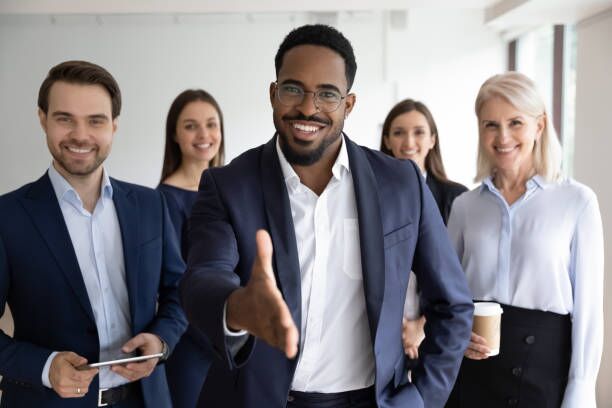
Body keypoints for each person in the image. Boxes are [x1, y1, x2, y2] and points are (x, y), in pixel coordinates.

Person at [181, 24, 474, 408]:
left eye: (327, 94)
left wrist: (420, 398)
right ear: (273, 94)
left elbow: (452, 305)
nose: (307, 107)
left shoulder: (401, 184)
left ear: (348, 104)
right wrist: (237, 308)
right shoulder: (228, 185)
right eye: (293, 89)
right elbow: (203, 277)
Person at [0, 60, 187, 407]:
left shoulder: (150, 205)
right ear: (43, 119)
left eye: (95, 121)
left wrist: (161, 341)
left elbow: (179, 291)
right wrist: (43, 367)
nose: (80, 135)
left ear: (114, 126)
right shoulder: (7, 216)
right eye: (64, 118)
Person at [446, 72, 603, 407]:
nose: (503, 136)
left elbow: (589, 312)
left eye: (515, 122)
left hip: (544, 377)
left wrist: (580, 393)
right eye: (491, 124)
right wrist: (457, 338)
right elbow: (445, 295)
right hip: (473, 375)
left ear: (539, 126)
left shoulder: (577, 201)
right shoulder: (465, 207)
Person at [379, 99, 468, 361]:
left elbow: (462, 274)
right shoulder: (369, 198)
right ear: (387, 140)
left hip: (438, 334)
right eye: (398, 132)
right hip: (381, 334)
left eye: (418, 132)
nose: (409, 142)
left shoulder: (457, 199)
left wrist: (422, 325)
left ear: (432, 140)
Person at [157, 89, 224, 408]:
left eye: (211, 124)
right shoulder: (164, 201)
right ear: (174, 134)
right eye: (191, 126)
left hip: (234, 340)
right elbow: (178, 287)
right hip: (194, 347)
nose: (204, 135)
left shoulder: (232, 192)